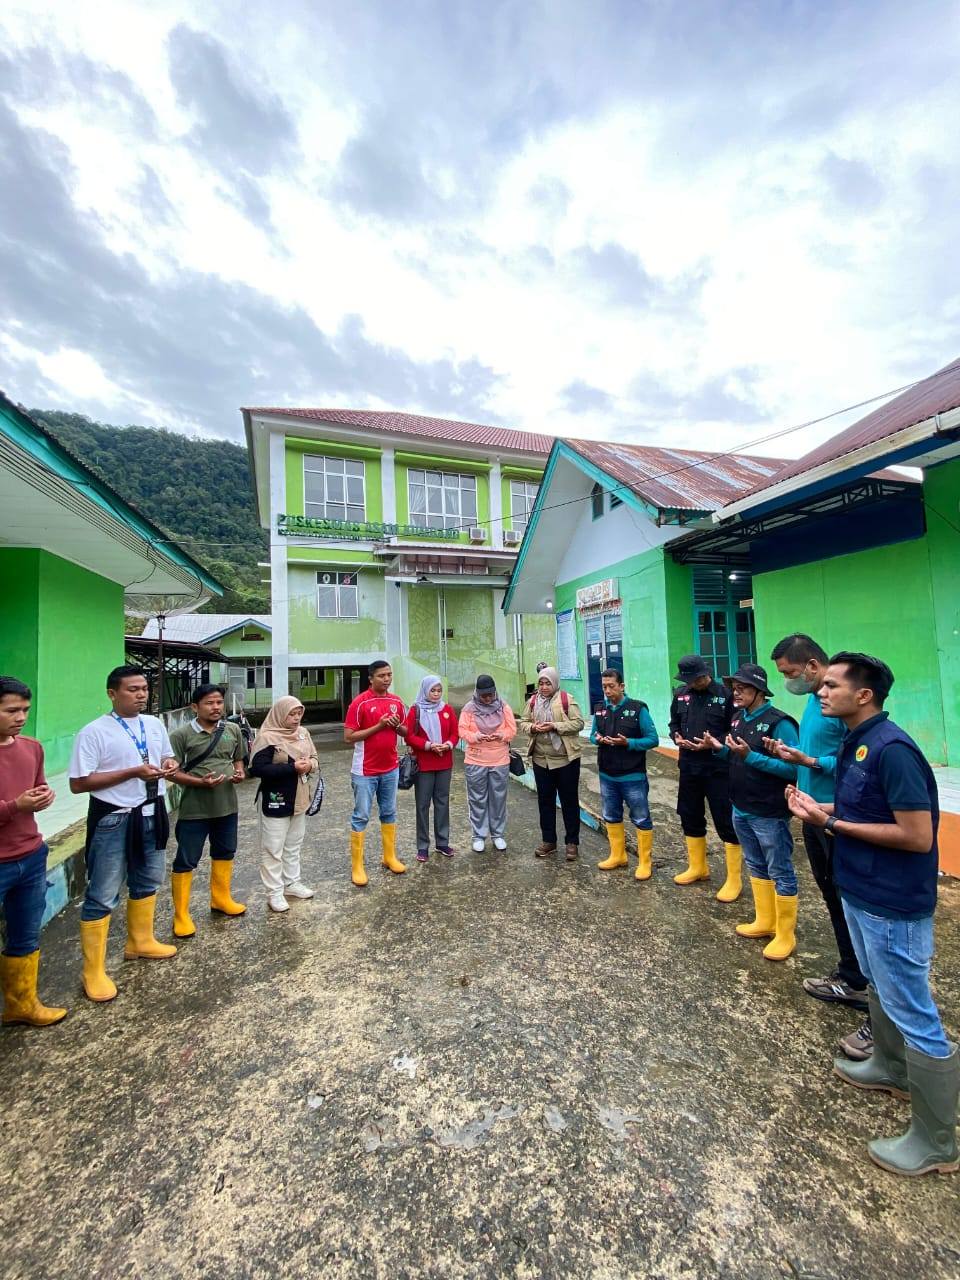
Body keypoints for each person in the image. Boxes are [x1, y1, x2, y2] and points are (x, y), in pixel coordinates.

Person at [787, 653, 958, 1177]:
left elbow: (916, 834)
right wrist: (823, 811)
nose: (820, 691)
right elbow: (865, 809)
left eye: (832, 685)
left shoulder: (893, 749)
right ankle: (889, 1066)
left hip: (892, 902)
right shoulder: (855, 743)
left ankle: (937, 1140)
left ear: (864, 695)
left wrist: (833, 825)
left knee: (914, 1010)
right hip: (860, 890)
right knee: (881, 988)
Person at [768, 634, 870, 1046]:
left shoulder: (841, 708)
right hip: (812, 811)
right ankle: (850, 972)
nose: (789, 682)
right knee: (830, 892)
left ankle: (861, 981)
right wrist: (795, 767)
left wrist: (808, 761)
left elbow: (846, 759)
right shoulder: (815, 702)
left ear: (812, 665)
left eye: (789, 673)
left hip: (835, 812)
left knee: (850, 898)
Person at [69, 665, 180, 1002]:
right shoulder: (93, 732)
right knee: (103, 892)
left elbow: (166, 757)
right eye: (133, 689)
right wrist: (132, 772)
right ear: (112, 693)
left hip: (152, 812)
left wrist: (170, 766)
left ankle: (140, 941)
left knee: (148, 879)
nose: (141, 695)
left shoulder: (153, 724)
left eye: (145, 689)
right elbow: (79, 783)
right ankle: (93, 970)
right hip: (114, 819)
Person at [697, 663, 799, 960]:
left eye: (742, 688)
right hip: (740, 805)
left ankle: (785, 934)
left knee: (780, 869)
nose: (735, 693)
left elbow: (794, 769)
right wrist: (719, 747)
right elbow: (737, 753)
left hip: (769, 811)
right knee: (755, 865)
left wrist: (751, 757)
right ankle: (765, 921)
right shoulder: (740, 718)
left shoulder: (780, 723)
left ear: (759, 691)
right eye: (734, 688)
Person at [0, 676, 66, 1027]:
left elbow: (37, 787)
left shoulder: (31, 747)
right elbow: (16, 803)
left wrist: (42, 797)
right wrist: (15, 806)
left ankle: (22, 1003)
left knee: (25, 934)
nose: (20, 716)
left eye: (25, 709)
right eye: (11, 710)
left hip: (30, 855)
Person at [167, 683, 247, 937]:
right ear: (195, 707)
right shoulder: (181, 735)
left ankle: (220, 899)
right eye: (209, 703)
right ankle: (181, 915)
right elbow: (173, 772)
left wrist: (239, 772)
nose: (216, 708)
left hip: (226, 805)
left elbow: (237, 758)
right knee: (187, 859)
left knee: (225, 851)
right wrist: (199, 782)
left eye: (219, 703)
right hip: (194, 809)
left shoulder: (232, 729)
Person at [668, 654, 742, 900]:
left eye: (695, 679)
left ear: (704, 674)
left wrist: (714, 743)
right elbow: (674, 723)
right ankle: (698, 867)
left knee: (725, 819)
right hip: (689, 765)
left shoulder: (726, 695)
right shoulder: (681, 694)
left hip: (717, 769)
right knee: (689, 814)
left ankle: (734, 879)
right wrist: (677, 736)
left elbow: (735, 730)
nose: (692, 684)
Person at [248, 696, 319, 912]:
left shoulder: (303, 734)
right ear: (280, 714)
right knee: (273, 848)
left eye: (299, 714)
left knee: (293, 844)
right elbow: (257, 769)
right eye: (291, 714)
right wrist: (291, 768)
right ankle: (274, 892)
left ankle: (292, 883)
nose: (296, 718)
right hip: (276, 798)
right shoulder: (268, 737)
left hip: (300, 797)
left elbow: (315, 757)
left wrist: (309, 766)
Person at [591, 669, 659, 880]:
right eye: (604, 687)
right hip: (607, 774)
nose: (608, 691)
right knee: (611, 815)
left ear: (622, 686)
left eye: (612, 686)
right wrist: (598, 739)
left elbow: (652, 739)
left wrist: (628, 742)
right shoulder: (600, 709)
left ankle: (645, 862)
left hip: (632, 776)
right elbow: (593, 735)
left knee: (640, 817)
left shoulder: (638, 709)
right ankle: (617, 855)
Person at [344, 660, 407, 886]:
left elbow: (406, 731)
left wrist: (397, 726)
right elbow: (349, 736)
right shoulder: (360, 703)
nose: (387, 679)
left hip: (390, 767)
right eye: (382, 675)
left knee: (389, 812)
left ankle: (389, 856)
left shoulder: (396, 701)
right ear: (371, 678)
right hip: (364, 771)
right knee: (361, 815)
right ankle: (357, 866)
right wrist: (379, 727)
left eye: (389, 674)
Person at [518, 667, 584, 861]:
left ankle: (572, 842)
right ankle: (549, 841)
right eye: (541, 683)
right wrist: (532, 727)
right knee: (545, 802)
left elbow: (578, 723)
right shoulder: (532, 701)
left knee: (569, 802)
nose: (544, 687)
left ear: (554, 683)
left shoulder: (566, 699)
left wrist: (555, 726)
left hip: (565, 760)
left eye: (548, 683)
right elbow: (523, 721)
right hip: (541, 760)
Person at [402, 674, 459, 862]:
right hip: (424, 763)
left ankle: (442, 842)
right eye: (432, 690)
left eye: (439, 690)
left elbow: (454, 733)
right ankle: (423, 846)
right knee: (423, 805)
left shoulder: (447, 709)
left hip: (444, 762)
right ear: (425, 690)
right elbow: (409, 736)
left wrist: (448, 745)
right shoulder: (416, 710)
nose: (436, 694)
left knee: (442, 802)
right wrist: (429, 745)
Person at [459, 675, 517, 853]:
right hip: (476, 760)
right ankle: (478, 836)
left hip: (499, 759)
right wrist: (475, 737)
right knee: (477, 799)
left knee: (498, 798)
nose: (487, 699)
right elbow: (462, 730)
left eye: (490, 695)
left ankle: (498, 834)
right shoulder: (469, 708)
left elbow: (512, 729)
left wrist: (502, 735)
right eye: (484, 696)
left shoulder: (503, 706)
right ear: (477, 693)